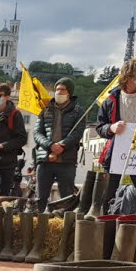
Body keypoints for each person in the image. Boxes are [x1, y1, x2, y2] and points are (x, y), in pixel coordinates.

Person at [97, 58, 136, 212]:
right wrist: (111, 128)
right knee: (108, 193)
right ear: (128, 75)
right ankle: (105, 222)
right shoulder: (111, 99)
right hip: (116, 153)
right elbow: (99, 126)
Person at [32, 78, 83, 210]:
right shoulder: (45, 109)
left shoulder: (78, 111)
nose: (59, 92)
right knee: (40, 197)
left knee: (67, 198)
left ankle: (64, 225)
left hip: (66, 161)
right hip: (45, 160)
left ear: (69, 92)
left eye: (63, 89)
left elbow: (77, 134)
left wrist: (62, 146)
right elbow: (37, 133)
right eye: (57, 89)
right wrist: (50, 147)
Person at [0, 83, 28, 197]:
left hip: (8, 160)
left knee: (5, 193)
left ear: (7, 96)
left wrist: (3, 146)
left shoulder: (15, 114)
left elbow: (21, 138)